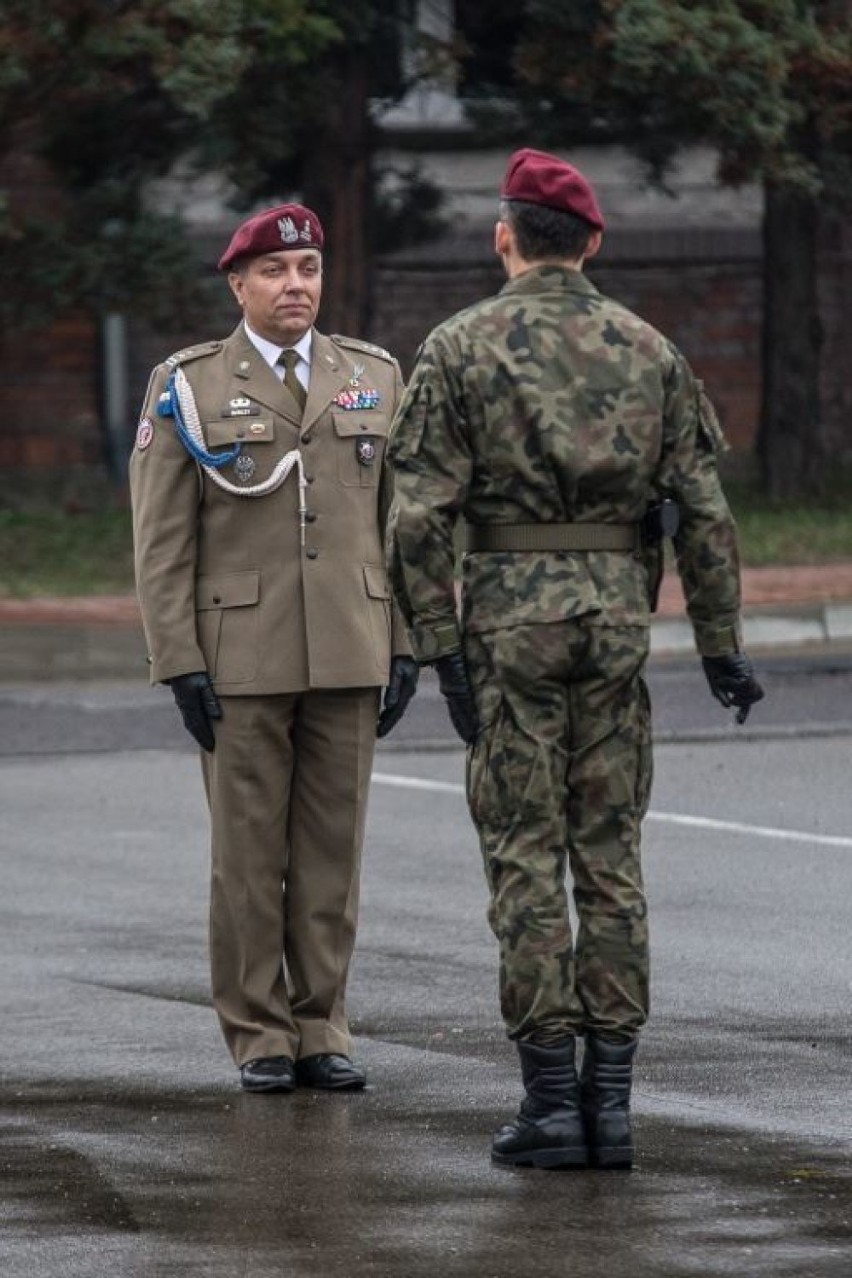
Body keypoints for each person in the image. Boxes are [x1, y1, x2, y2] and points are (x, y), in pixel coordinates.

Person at [387, 148, 764, 1169]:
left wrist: (431, 649)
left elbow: (418, 515)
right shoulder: (651, 350)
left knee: (523, 855)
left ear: (503, 237)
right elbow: (706, 511)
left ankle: (551, 1102)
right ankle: (615, 1103)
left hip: (507, 627)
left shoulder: (459, 346)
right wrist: (723, 646)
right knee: (610, 857)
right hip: (612, 628)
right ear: (593, 241)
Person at [130, 203, 418, 1094]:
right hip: (240, 655)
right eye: (276, 273)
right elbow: (162, 538)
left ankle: (322, 1025)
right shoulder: (189, 384)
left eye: (309, 271)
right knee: (250, 860)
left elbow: (400, 524)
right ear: (238, 283)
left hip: (349, 646)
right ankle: (259, 1034)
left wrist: (405, 639)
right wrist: (178, 658)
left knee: (333, 853)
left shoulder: (371, 374)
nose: (297, 287)